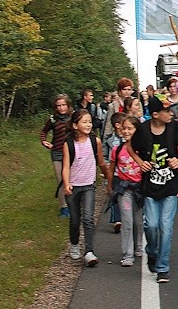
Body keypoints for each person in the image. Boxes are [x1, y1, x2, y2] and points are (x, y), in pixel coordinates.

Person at [128, 95, 178, 283]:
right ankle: (152, 251)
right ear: (156, 114)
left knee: (165, 226)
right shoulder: (142, 130)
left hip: (170, 185)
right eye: (167, 111)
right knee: (151, 225)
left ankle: (163, 267)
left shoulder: (174, 128)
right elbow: (130, 147)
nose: (172, 114)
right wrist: (141, 162)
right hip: (150, 186)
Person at [62, 109, 110, 267]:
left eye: (90, 121)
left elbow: (101, 162)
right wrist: (66, 183)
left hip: (89, 185)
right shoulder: (68, 144)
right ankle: (74, 244)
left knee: (88, 218)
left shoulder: (94, 141)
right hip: (73, 186)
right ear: (75, 125)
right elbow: (66, 167)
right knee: (75, 219)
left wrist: (108, 177)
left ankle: (89, 251)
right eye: (84, 122)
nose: (88, 124)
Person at [108, 116, 144, 267]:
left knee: (138, 221)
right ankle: (127, 254)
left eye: (130, 128)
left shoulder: (142, 149)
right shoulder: (117, 150)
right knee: (127, 221)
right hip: (124, 190)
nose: (126, 131)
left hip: (140, 189)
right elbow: (111, 169)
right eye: (124, 128)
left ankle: (139, 245)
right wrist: (110, 187)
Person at [40, 94, 73, 218]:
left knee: (72, 179)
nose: (61, 108)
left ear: (68, 105)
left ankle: (73, 204)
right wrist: (44, 141)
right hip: (57, 152)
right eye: (58, 106)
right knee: (61, 180)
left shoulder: (74, 117)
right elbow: (44, 131)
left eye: (63, 105)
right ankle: (63, 207)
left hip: (72, 152)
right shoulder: (53, 119)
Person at [103, 112, 127, 233]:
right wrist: (107, 166)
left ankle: (126, 217)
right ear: (118, 125)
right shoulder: (109, 140)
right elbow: (105, 156)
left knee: (126, 196)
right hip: (115, 172)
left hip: (127, 172)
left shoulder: (129, 137)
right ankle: (117, 220)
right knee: (115, 196)